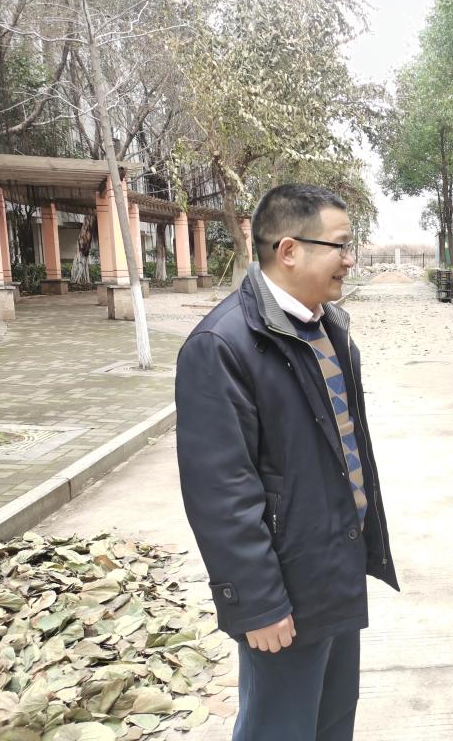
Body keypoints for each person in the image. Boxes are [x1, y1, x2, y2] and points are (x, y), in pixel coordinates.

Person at [175, 184, 398, 741]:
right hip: (284, 591)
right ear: (290, 250)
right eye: (340, 245)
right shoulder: (223, 344)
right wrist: (257, 602)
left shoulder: (327, 329)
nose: (350, 259)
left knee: (331, 721)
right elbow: (221, 493)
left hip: (335, 568)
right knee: (279, 728)